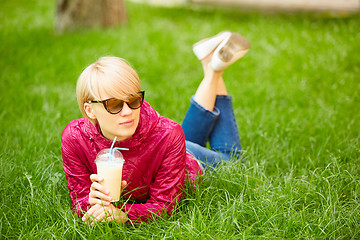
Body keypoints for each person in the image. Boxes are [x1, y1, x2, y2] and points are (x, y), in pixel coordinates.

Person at [61, 31, 250, 224]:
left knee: (233, 160)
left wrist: (121, 214)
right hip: (170, 149)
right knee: (183, 138)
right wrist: (90, 201)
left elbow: (165, 206)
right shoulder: (75, 138)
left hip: (188, 161)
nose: (127, 112)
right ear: (90, 110)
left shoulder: (168, 134)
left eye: (133, 100)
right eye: (114, 104)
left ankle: (215, 70)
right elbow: (80, 201)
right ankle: (210, 65)